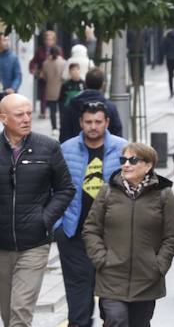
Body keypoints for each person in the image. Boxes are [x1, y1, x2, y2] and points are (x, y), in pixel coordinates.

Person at [82, 142, 174, 327]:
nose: (126, 164)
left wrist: (158, 266)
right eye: (123, 160)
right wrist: (102, 259)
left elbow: (172, 237)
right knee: (116, 320)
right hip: (111, 276)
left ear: (148, 165)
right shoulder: (107, 192)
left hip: (147, 277)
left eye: (133, 160)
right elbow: (91, 229)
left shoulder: (164, 195)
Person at [0, 93, 75, 327]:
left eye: (29, 113)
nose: (26, 119)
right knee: (7, 312)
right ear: (3, 118)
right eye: (19, 114)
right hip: (1, 245)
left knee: (20, 311)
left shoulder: (48, 147)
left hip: (34, 243)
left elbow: (65, 189)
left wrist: (44, 219)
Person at [55, 100, 127, 327]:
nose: (93, 126)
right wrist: (58, 226)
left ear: (107, 122)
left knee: (112, 306)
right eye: (88, 122)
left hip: (112, 238)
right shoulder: (65, 149)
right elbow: (53, 188)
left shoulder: (123, 149)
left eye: (98, 121)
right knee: (78, 306)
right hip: (74, 235)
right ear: (80, 122)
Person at [60, 68, 123, 143]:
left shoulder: (72, 106)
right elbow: (117, 134)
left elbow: (64, 134)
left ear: (86, 83)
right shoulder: (110, 107)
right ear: (103, 84)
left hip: (76, 152)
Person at [28, 30, 56, 119]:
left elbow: (61, 61)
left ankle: (53, 112)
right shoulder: (40, 50)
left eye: (51, 40)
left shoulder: (57, 50)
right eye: (47, 39)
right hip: (42, 75)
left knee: (53, 95)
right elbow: (33, 61)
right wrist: (33, 70)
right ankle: (43, 112)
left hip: (53, 76)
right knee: (43, 93)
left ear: (54, 40)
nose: (49, 42)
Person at [41, 46, 67, 132]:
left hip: (50, 89)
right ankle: (62, 127)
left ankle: (54, 128)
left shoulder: (45, 63)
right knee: (62, 111)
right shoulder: (64, 63)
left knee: (52, 111)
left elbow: (44, 77)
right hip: (62, 90)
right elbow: (65, 77)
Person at [0, 33, 22, 98]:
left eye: (8, 40)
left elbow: (18, 76)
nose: (7, 42)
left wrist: (13, 88)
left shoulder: (13, 57)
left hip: (8, 94)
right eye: (4, 40)